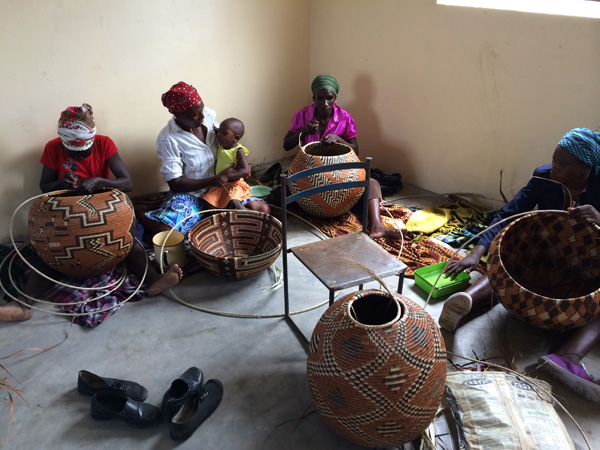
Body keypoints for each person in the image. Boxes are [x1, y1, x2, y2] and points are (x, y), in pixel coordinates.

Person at [439, 127, 600, 401]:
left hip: (584, 268)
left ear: (585, 168)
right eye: (554, 160)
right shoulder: (543, 176)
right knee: (510, 258)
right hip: (541, 255)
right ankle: (466, 301)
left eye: (562, 165)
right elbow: (509, 214)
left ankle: (565, 357)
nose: (554, 169)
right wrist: (477, 253)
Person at [0, 104, 182, 322]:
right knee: (51, 253)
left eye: (82, 152)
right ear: (63, 142)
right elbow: (44, 186)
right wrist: (61, 182)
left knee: (128, 243)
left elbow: (127, 183)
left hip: (105, 214)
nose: (77, 156)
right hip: (66, 217)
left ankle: (153, 280)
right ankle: (23, 304)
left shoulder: (104, 144)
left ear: (92, 140)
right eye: (71, 152)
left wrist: (98, 181)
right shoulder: (53, 148)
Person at [135, 82, 268, 240]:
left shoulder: (209, 115)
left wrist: (240, 162)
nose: (203, 117)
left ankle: (202, 215)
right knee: (170, 235)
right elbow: (175, 182)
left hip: (223, 187)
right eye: (195, 115)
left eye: (201, 110)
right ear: (177, 115)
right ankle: (142, 212)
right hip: (192, 194)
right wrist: (215, 179)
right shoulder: (168, 138)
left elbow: (227, 143)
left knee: (261, 211)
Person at [283, 74, 405, 239]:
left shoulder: (345, 117)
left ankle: (377, 226)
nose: (325, 103)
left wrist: (338, 139)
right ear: (314, 97)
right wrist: (303, 130)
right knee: (284, 192)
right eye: (320, 98)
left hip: (340, 174)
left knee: (372, 183)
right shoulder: (302, 115)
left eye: (329, 98)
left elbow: (356, 149)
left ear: (335, 98)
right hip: (310, 173)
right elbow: (286, 145)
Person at [202, 118, 270, 213]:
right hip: (222, 186)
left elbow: (245, 170)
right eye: (219, 132)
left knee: (234, 201)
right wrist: (217, 130)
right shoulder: (222, 145)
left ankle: (247, 215)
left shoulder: (238, 150)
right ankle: (228, 216)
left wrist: (227, 176)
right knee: (207, 201)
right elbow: (220, 132)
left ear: (236, 138)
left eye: (224, 133)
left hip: (234, 184)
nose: (219, 135)